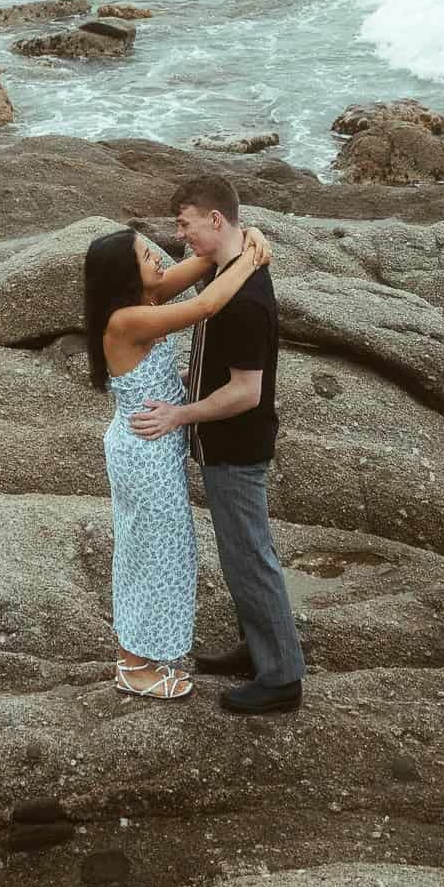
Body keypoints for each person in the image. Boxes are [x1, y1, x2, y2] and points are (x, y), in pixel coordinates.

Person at [130, 175, 305, 716]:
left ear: (216, 220)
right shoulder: (230, 271)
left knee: (251, 556)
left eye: (186, 224)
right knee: (238, 554)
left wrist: (179, 414)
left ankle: (281, 675)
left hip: (238, 443)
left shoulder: (244, 298)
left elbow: (246, 392)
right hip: (221, 442)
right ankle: (257, 647)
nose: (181, 238)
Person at [83, 222, 272, 701]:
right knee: (156, 557)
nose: (160, 260)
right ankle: (135, 666)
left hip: (150, 446)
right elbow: (207, 304)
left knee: (150, 554)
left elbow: (204, 261)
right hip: (145, 453)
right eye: (148, 256)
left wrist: (244, 233)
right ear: (127, 276)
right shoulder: (126, 319)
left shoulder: (143, 299)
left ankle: (139, 656)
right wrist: (251, 258)